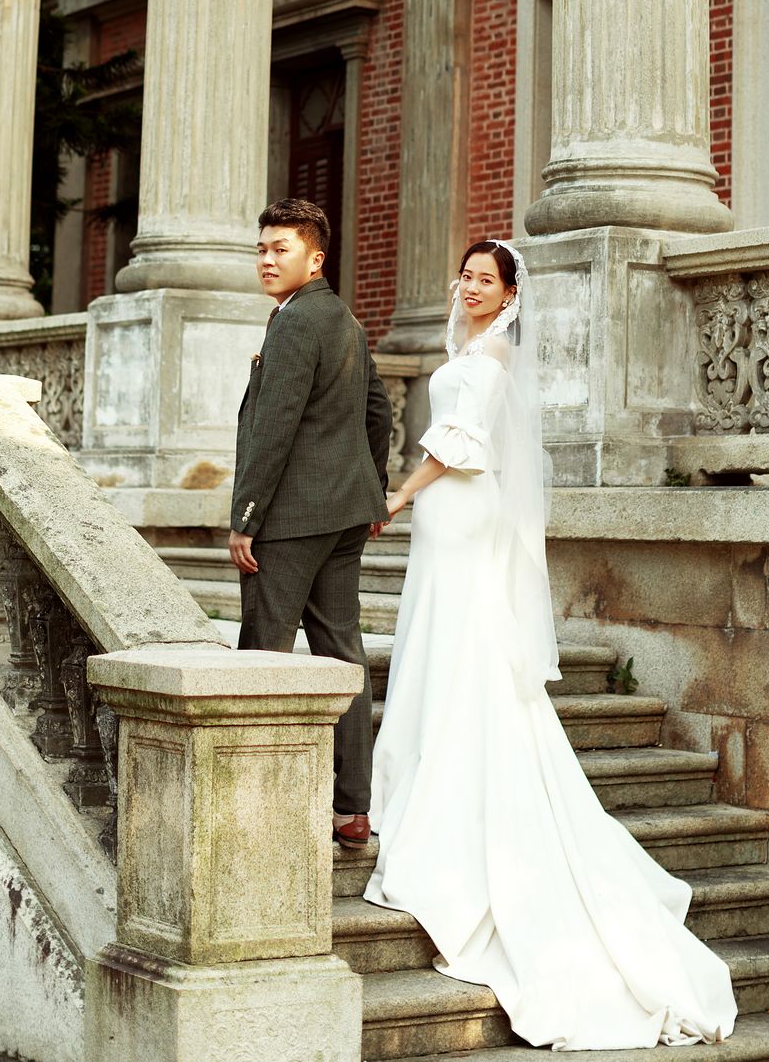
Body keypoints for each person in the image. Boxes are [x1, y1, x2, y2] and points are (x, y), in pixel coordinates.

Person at [364, 238, 738, 1050]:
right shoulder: (469, 347)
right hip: (449, 517)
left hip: (461, 512)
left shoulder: (494, 356)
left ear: (509, 296)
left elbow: (460, 442)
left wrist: (395, 495)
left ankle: (442, 789)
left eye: (484, 279)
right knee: (439, 643)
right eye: (464, 275)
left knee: (461, 649)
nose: (469, 286)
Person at [229, 197, 392, 849]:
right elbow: (378, 412)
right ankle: (352, 809)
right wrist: (369, 489)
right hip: (344, 513)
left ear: (315, 257)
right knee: (342, 654)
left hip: (292, 518)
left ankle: (253, 804)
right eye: (262, 249)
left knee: (262, 654)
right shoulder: (344, 319)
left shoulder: (296, 322)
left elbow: (272, 429)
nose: (267, 260)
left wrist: (246, 517)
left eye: (282, 249)